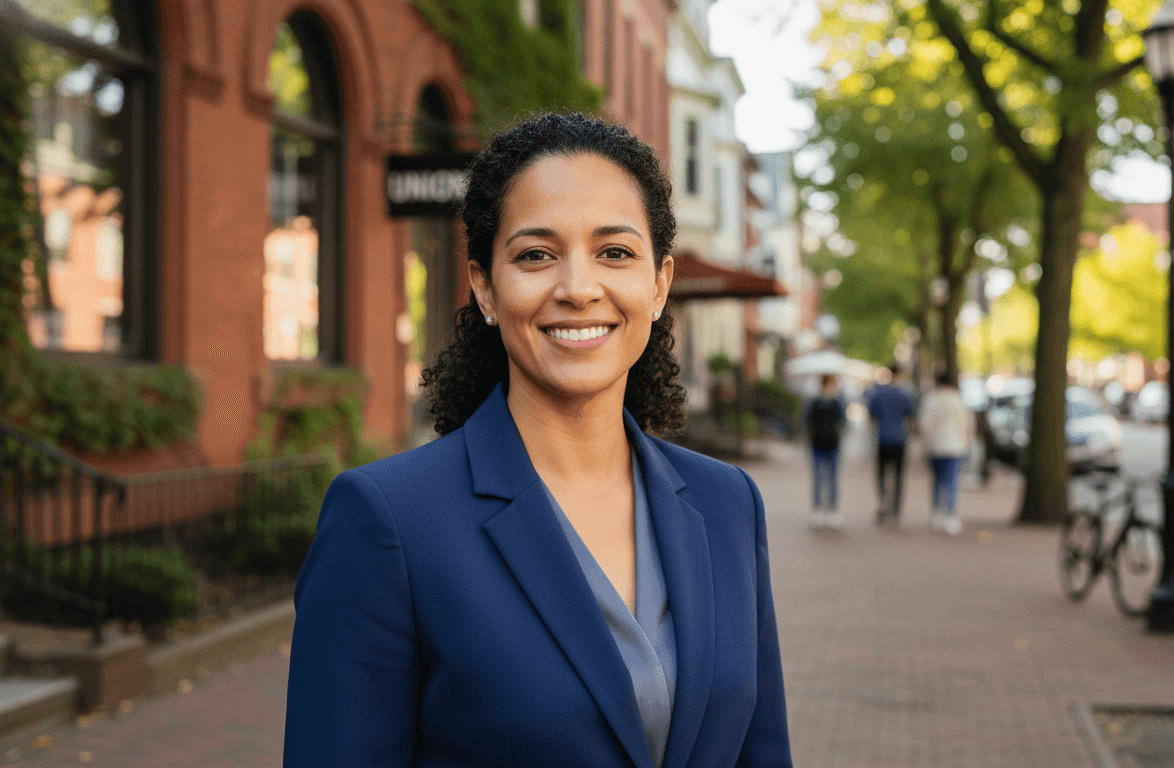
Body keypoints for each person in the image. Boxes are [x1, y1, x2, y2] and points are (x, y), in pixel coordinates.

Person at [283, 114, 792, 768]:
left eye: (615, 252)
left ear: (658, 285)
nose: (578, 288)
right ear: (486, 288)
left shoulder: (729, 503)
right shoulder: (390, 521)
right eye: (535, 255)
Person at [918, 370, 975, 536]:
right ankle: (950, 515)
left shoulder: (931, 399)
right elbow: (969, 425)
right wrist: (967, 443)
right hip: (956, 447)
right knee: (951, 481)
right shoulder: (960, 400)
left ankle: (936, 514)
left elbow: (925, 425)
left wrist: (924, 444)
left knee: (937, 481)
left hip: (935, 446)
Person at [866, 363, 916, 523]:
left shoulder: (878, 394)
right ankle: (895, 510)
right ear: (899, 374)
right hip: (899, 439)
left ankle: (883, 501)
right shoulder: (905, 395)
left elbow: (871, 415)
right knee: (898, 476)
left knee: (881, 473)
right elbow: (911, 418)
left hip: (882, 439)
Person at [804, 373, 847, 529]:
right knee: (818, 479)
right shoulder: (814, 402)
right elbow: (806, 422)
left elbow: (844, 421)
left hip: (833, 445)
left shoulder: (837, 402)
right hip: (817, 445)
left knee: (832, 479)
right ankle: (818, 511)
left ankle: (832, 511)